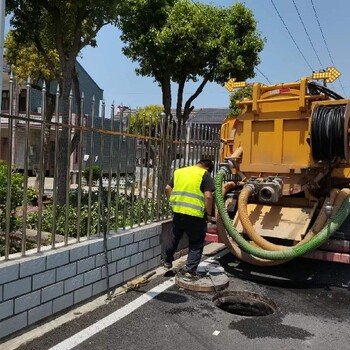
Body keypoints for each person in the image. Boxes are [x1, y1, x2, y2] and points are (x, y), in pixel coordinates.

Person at [164, 159, 215, 279]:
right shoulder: (204, 174)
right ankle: (190, 270)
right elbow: (208, 197)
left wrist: (173, 202)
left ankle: (167, 261)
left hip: (178, 212)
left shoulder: (179, 172)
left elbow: (167, 188)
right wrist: (208, 213)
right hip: (195, 215)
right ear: (207, 168)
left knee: (174, 237)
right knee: (196, 242)